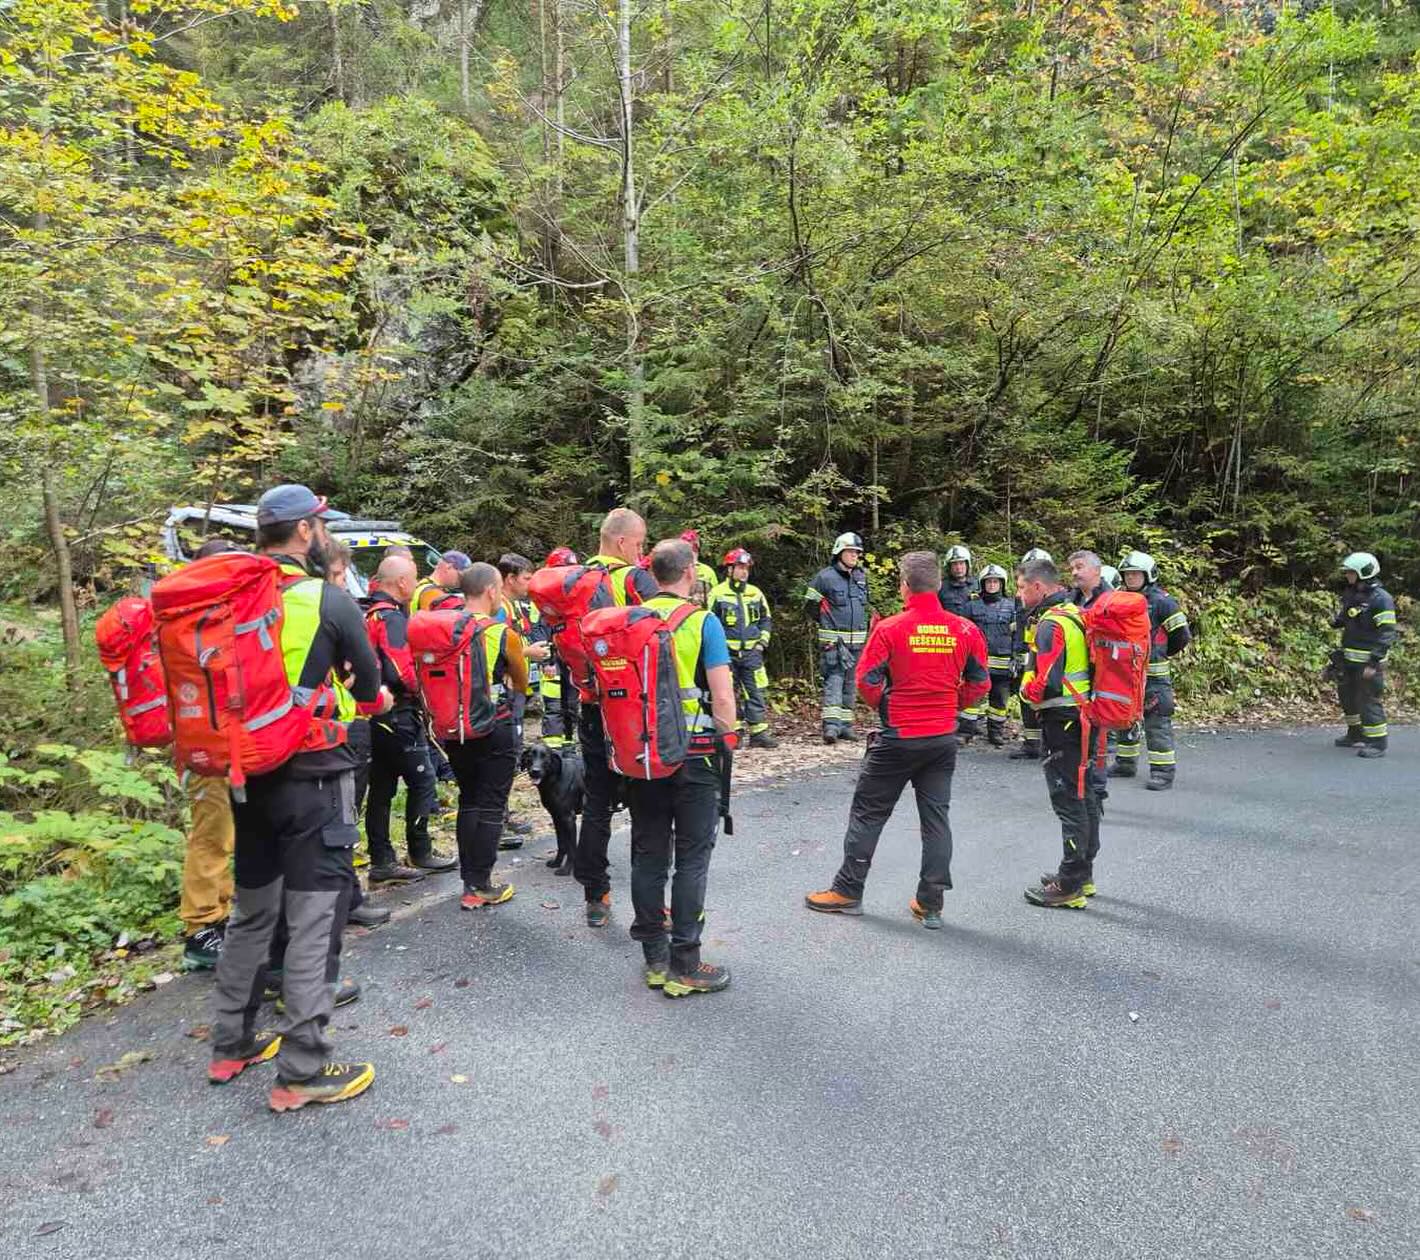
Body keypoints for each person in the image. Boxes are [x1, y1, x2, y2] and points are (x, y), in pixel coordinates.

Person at [209, 484, 391, 1111]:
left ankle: (231, 1043)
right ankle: (303, 1069)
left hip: (243, 776)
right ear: (307, 533)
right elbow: (370, 689)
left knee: (253, 911)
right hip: (313, 778)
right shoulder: (327, 598)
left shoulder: (228, 598)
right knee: (315, 916)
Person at [806, 552, 989, 928]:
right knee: (936, 818)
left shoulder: (890, 628)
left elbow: (866, 680)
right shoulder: (965, 630)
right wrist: (951, 704)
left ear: (904, 586)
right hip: (941, 738)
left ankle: (847, 891)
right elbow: (981, 682)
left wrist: (889, 708)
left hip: (899, 737)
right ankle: (931, 902)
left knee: (868, 814)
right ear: (938, 585)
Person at [626, 539, 739, 996]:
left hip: (641, 757)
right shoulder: (702, 621)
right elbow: (724, 697)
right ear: (690, 571)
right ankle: (685, 965)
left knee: (649, 856)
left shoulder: (627, 620)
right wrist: (727, 740)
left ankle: (654, 960)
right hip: (694, 758)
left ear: (652, 574)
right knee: (691, 860)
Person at [576, 510, 660, 926]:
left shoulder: (574, 580)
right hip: (632, 710)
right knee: (647, 804)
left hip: (590, 706)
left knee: (596, 802)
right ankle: (651, 908)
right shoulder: (633, 580)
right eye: (640, 544)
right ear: (623, 542)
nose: (642, 552)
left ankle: (596, 895)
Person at [362, 555, 455, 881]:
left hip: (377, 715)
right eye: (413, 578)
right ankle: (420, 850)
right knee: (423, 781)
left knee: (382, 788)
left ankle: (382, 860)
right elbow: (402, 670)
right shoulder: (391, 619)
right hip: (397, 715)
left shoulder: (371, 615)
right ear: (401, 582)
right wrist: (427, 696)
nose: (416, 585)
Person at [1015, 558, 1100, 910]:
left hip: (1064, 722)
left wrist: (1022, 691)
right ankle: (1082, 875)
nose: (1018, 594)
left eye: (1021, 587)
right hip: (1082, 718)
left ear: (1038, 587)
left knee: (1069, 800)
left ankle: (1069, 884)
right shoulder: (1074, 613)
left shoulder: (1052, 624)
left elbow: (1046, 683)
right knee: (1087, 795)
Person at [445, 563, 528, 909]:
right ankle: (480, 885)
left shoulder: (443, 625)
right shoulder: (499, 631)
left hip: (454, 726)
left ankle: (468, 880)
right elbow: (521, 679)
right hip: (494, 725)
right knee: (492, 803)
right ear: (492, 591)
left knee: (469, 799)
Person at [178, 537, 243, 970]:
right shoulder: (193, 619)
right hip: (208, 745)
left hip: (225, 742)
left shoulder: (205, 616)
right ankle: (200, 930)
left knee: (225, 833)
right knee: (211, 835)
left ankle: (217, 918)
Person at [1110, 550, 1190, 790]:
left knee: (1157, 723)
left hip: (1154, 675)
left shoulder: (1163, 602)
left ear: (1149, 575)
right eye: (1128, 574)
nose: (1131, 578)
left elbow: (1181, 635)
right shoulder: (1118, 598)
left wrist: (1159, 654)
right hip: (1124, 673)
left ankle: (1163, 772)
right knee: (1123, 719)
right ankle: (1125, 763)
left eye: (1136, 574)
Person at [495, 553, 553, 847]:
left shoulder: (513, 606)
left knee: (513, 753)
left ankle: (505, 815)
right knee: (506, 754)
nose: (531, 584)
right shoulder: (499, 609)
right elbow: (496, 649)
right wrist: (528, 654)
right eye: (527, 578)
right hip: (505, 692)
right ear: (510, 578)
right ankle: (498, 822)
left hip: (517, 690)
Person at [708, 548, 778, 749]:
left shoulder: (755, 593)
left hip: (751, 653)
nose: (744, 572)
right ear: (729, 569)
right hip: (726, 655)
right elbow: (709, 622)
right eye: (740, 567)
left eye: (746, 568)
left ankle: (759, 733)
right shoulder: (718, 593)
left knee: (755, 691)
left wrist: (761, 643)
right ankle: (734, 732)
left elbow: (766, 619)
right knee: (729, 693)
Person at [806, 532, 871, 744]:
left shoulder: (861, 577)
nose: (855, 556)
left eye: (857, 553)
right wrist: (826, 625)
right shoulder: (824, 577)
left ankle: (846, 726)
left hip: (857, 642)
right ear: (839, 552)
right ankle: (831, 727)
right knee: (834, 681)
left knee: (851, 683)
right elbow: (810, 606)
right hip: (833, 642)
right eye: (851, 552)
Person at [1331, 552, 1397, 758]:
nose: (1348, 575)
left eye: (1351, 572)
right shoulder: (1353, 594)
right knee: (1347, 698)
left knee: (1368, 701)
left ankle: (1377, 743)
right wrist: (1337, 621)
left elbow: (1387, 633)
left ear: (1364, 573)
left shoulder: (1381, 599)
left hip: (1368, 663)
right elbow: (1348, 616)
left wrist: (1374, 662)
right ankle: (1355, 733)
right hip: (1349, 659)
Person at [1009, 548, 1054, 762]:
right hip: (1028, 653)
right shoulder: (1023, 597)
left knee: (1046, 700)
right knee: (1025, 698)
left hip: (1047, 657)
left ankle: (1048, 744)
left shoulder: (1056, 600)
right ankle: (1031, 744)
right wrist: (1018, 653)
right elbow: (1021, 626)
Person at [537, 546, 581, 749]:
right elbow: (542, 629)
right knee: (554, 705)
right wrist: (548, 660)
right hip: (554, 660)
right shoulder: (545, 597)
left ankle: (569, 745)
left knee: (572, 704)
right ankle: (553, 751)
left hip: (573, 659)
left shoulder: (577, 595)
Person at [968, 563, 1017, 747]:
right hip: (977, 663)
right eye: (988, 582)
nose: (992, 585)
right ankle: (966, 731)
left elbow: (1018, 636)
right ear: (982, 584)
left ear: (1002, 584)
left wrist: (1016, 658)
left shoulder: (1012, 607)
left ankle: (995, 733)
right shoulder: (971, 606)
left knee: (999, 701)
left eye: (995, 581)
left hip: (1002, 665)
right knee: (972, 699)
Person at [680, 529, 718, 606]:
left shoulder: (708, 571)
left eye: (694, 548)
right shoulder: (676, 570)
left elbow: (715, 596)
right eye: (687, 550)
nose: (692, 552)